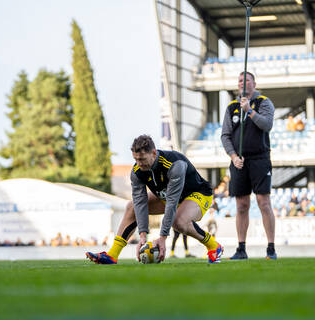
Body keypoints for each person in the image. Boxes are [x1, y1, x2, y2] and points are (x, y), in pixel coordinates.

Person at [86, 135, 223, 264]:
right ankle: (112, 255)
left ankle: (213, 246)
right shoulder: (137, 172)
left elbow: (171, 202)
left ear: (153, 153)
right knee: (131, 206)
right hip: (167, 195)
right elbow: (140, 204)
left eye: (143, 160)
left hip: (197, 193)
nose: (139, 164)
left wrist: (162, 238)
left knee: (179, 222)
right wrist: (143, 236)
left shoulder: (175, 165)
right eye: (136, 160)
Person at [221, 71, 277, 260]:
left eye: (246, 80)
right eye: (239, 80)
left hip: (260, 159)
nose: (242, 83)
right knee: (241, 205)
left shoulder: (263, 102)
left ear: (254, 83)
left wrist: (250, 111)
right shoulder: (231, 107)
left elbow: (267, 125)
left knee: (264, 202)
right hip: (239, 162)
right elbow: (225, 136)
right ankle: (241, 248)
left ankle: (271, 248)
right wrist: (233, 156)